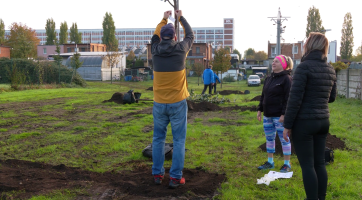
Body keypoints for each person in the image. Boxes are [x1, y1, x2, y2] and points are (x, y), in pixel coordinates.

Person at [283, 32, 337, 200]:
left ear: (309, 46)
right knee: (319, 163)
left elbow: (294, 100)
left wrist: (287, 126)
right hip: (323, 121)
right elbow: (332, 98)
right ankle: (321, 197)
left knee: (307, 165)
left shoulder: (303, 68)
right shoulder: (330, 69)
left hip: (305, 123)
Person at [151, 10, 194, 189]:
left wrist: (164, 18)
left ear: (161, 37)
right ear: (175, 36)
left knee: (158, 139)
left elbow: (154, 34)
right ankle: (175, 177)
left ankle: (157, 174)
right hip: (178, 102)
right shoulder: (181, 49)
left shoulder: (154, 49)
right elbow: (190, 34)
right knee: (178, 140)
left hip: (159, 103)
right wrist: (180, 18)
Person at [257, 54, 293, 173]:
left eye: (276, 61)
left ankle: (287, 164)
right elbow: (263, 95)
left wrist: (284, 114)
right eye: (273, 61)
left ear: (283, 65)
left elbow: (288, 99)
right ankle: (270, 162)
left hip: (279, 116)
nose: (273, 63)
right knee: (269, 139)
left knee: (284, 139)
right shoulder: (268, 78)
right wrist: (259, 109)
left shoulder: (287, 79)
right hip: (267, 115)